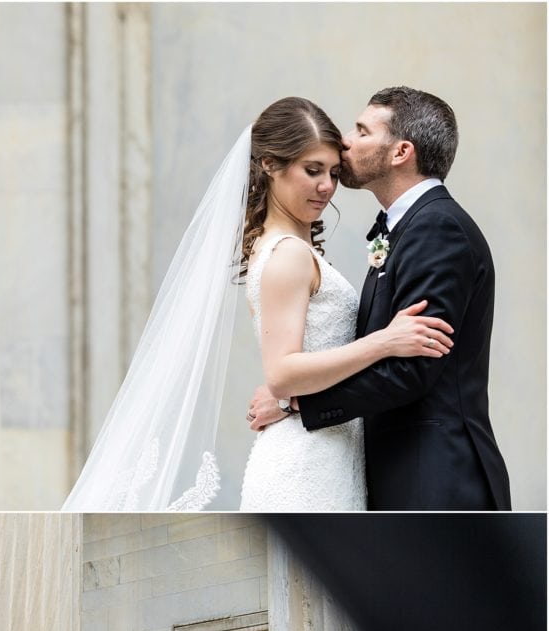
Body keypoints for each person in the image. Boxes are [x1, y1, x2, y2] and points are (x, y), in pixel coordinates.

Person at [62, 97, 451, 512]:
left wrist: (285, 398)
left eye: (333, 173)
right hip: (304, 467)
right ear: (269, 165)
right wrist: (384, 342)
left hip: (330, 454)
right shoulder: (287, 254)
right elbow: (282, 372)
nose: (327, 186)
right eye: (312, 170)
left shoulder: (289, 249)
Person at [250, 87, 511, 510]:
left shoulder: (436, 228)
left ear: (400, 152)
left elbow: (412, 369)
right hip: (395, 472)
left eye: (362, 131)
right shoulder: (404, 228)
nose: (346, 140)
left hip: (435, 478)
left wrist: (297, 402)